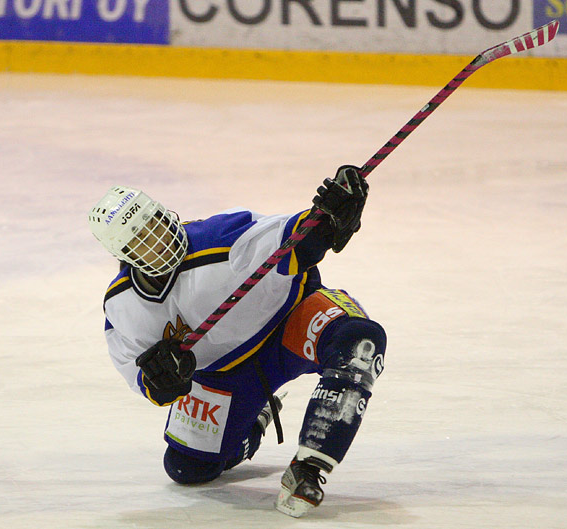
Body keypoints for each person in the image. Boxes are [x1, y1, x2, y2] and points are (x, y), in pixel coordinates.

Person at [88, 166, 387, 518]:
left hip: (290, 322)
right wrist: (160, 383)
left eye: (155, 223)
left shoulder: (221, 235)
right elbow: (134, 368)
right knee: (186, 467)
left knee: (360, 343)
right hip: (226, 376)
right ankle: (256, 415)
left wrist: (327, 220)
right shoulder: (123, 305)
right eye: (141, 238)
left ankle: (309, 468)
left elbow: (290, 238)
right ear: (124, 255)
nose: (158, 238)